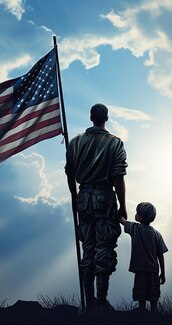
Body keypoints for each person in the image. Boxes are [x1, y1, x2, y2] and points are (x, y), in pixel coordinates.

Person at [65, 103, 128, 311]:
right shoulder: (115, 143)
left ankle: (89, 302)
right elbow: (118, 177)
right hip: (104, 199)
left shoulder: (74, 143)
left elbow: (70, 173)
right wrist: (123, 206)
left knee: (88, 249)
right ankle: (100, 301)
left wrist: (75, 198)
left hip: (83, 199)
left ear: (90, 117)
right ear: (106, 118)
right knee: (103, 250)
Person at [119, 202, 168, 313]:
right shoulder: (157, 234)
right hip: (154, 270)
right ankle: (154, 314)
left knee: (141, 294)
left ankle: (142, 314)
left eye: (137, 213)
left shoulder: (135, 228)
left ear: (139, 217)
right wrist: (163, 273)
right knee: (153, 295)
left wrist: (118, 210)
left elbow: (121, 220)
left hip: (140, 269)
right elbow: (161, 255)